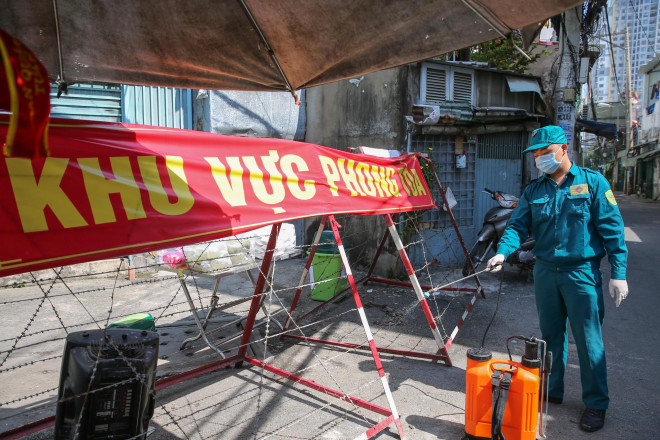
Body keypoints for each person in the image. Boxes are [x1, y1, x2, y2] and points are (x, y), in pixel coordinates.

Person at [486, 125, 628, 433]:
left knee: (589, 341)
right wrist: (502, 252)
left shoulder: (593, 182)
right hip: (546, 271)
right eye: (535, 153)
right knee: (550, 337)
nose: (539, 158)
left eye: (544, 151)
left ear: (563, 148)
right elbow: (516, 227)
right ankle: (553, 390)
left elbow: (613, 231)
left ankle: (596, 403)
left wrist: (619, 273)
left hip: (581, 274)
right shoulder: (534, 191)